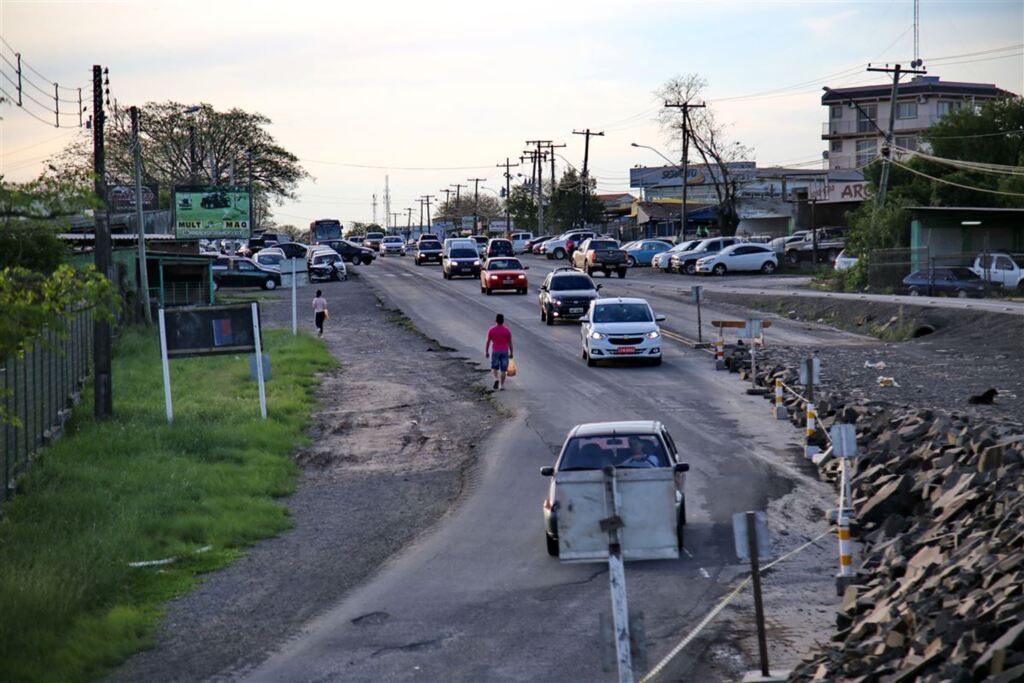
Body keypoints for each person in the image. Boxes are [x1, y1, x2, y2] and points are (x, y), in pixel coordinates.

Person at [484, 313, 514, 391]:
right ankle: (502, 385)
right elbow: (510, 343)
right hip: (504, 351)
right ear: (503, 321)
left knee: (494, 367)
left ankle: (496, 379)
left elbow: (488, 342)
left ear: (496, 320)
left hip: (495, 351)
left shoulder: (492, 330)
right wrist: (511, 352)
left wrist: (487, 351)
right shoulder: (507, 331)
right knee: (503, 370)